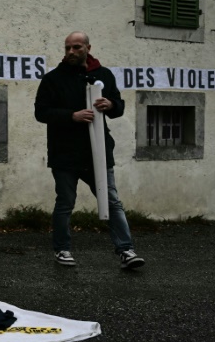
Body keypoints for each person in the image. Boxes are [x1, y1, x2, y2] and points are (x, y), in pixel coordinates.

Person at [34, 31, 145, 269]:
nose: (71, 52)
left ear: (87, 48)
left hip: (98, 151)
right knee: (65, 203)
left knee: (112, 201)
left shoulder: (103, 75)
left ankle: (126, 250)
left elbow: (119, 107)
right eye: (67, 48)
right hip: (64, 153)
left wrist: (111, 104)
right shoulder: (53, 79)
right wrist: (71, 116)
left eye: (76, 47)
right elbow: (41, 112)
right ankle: (62, 250)